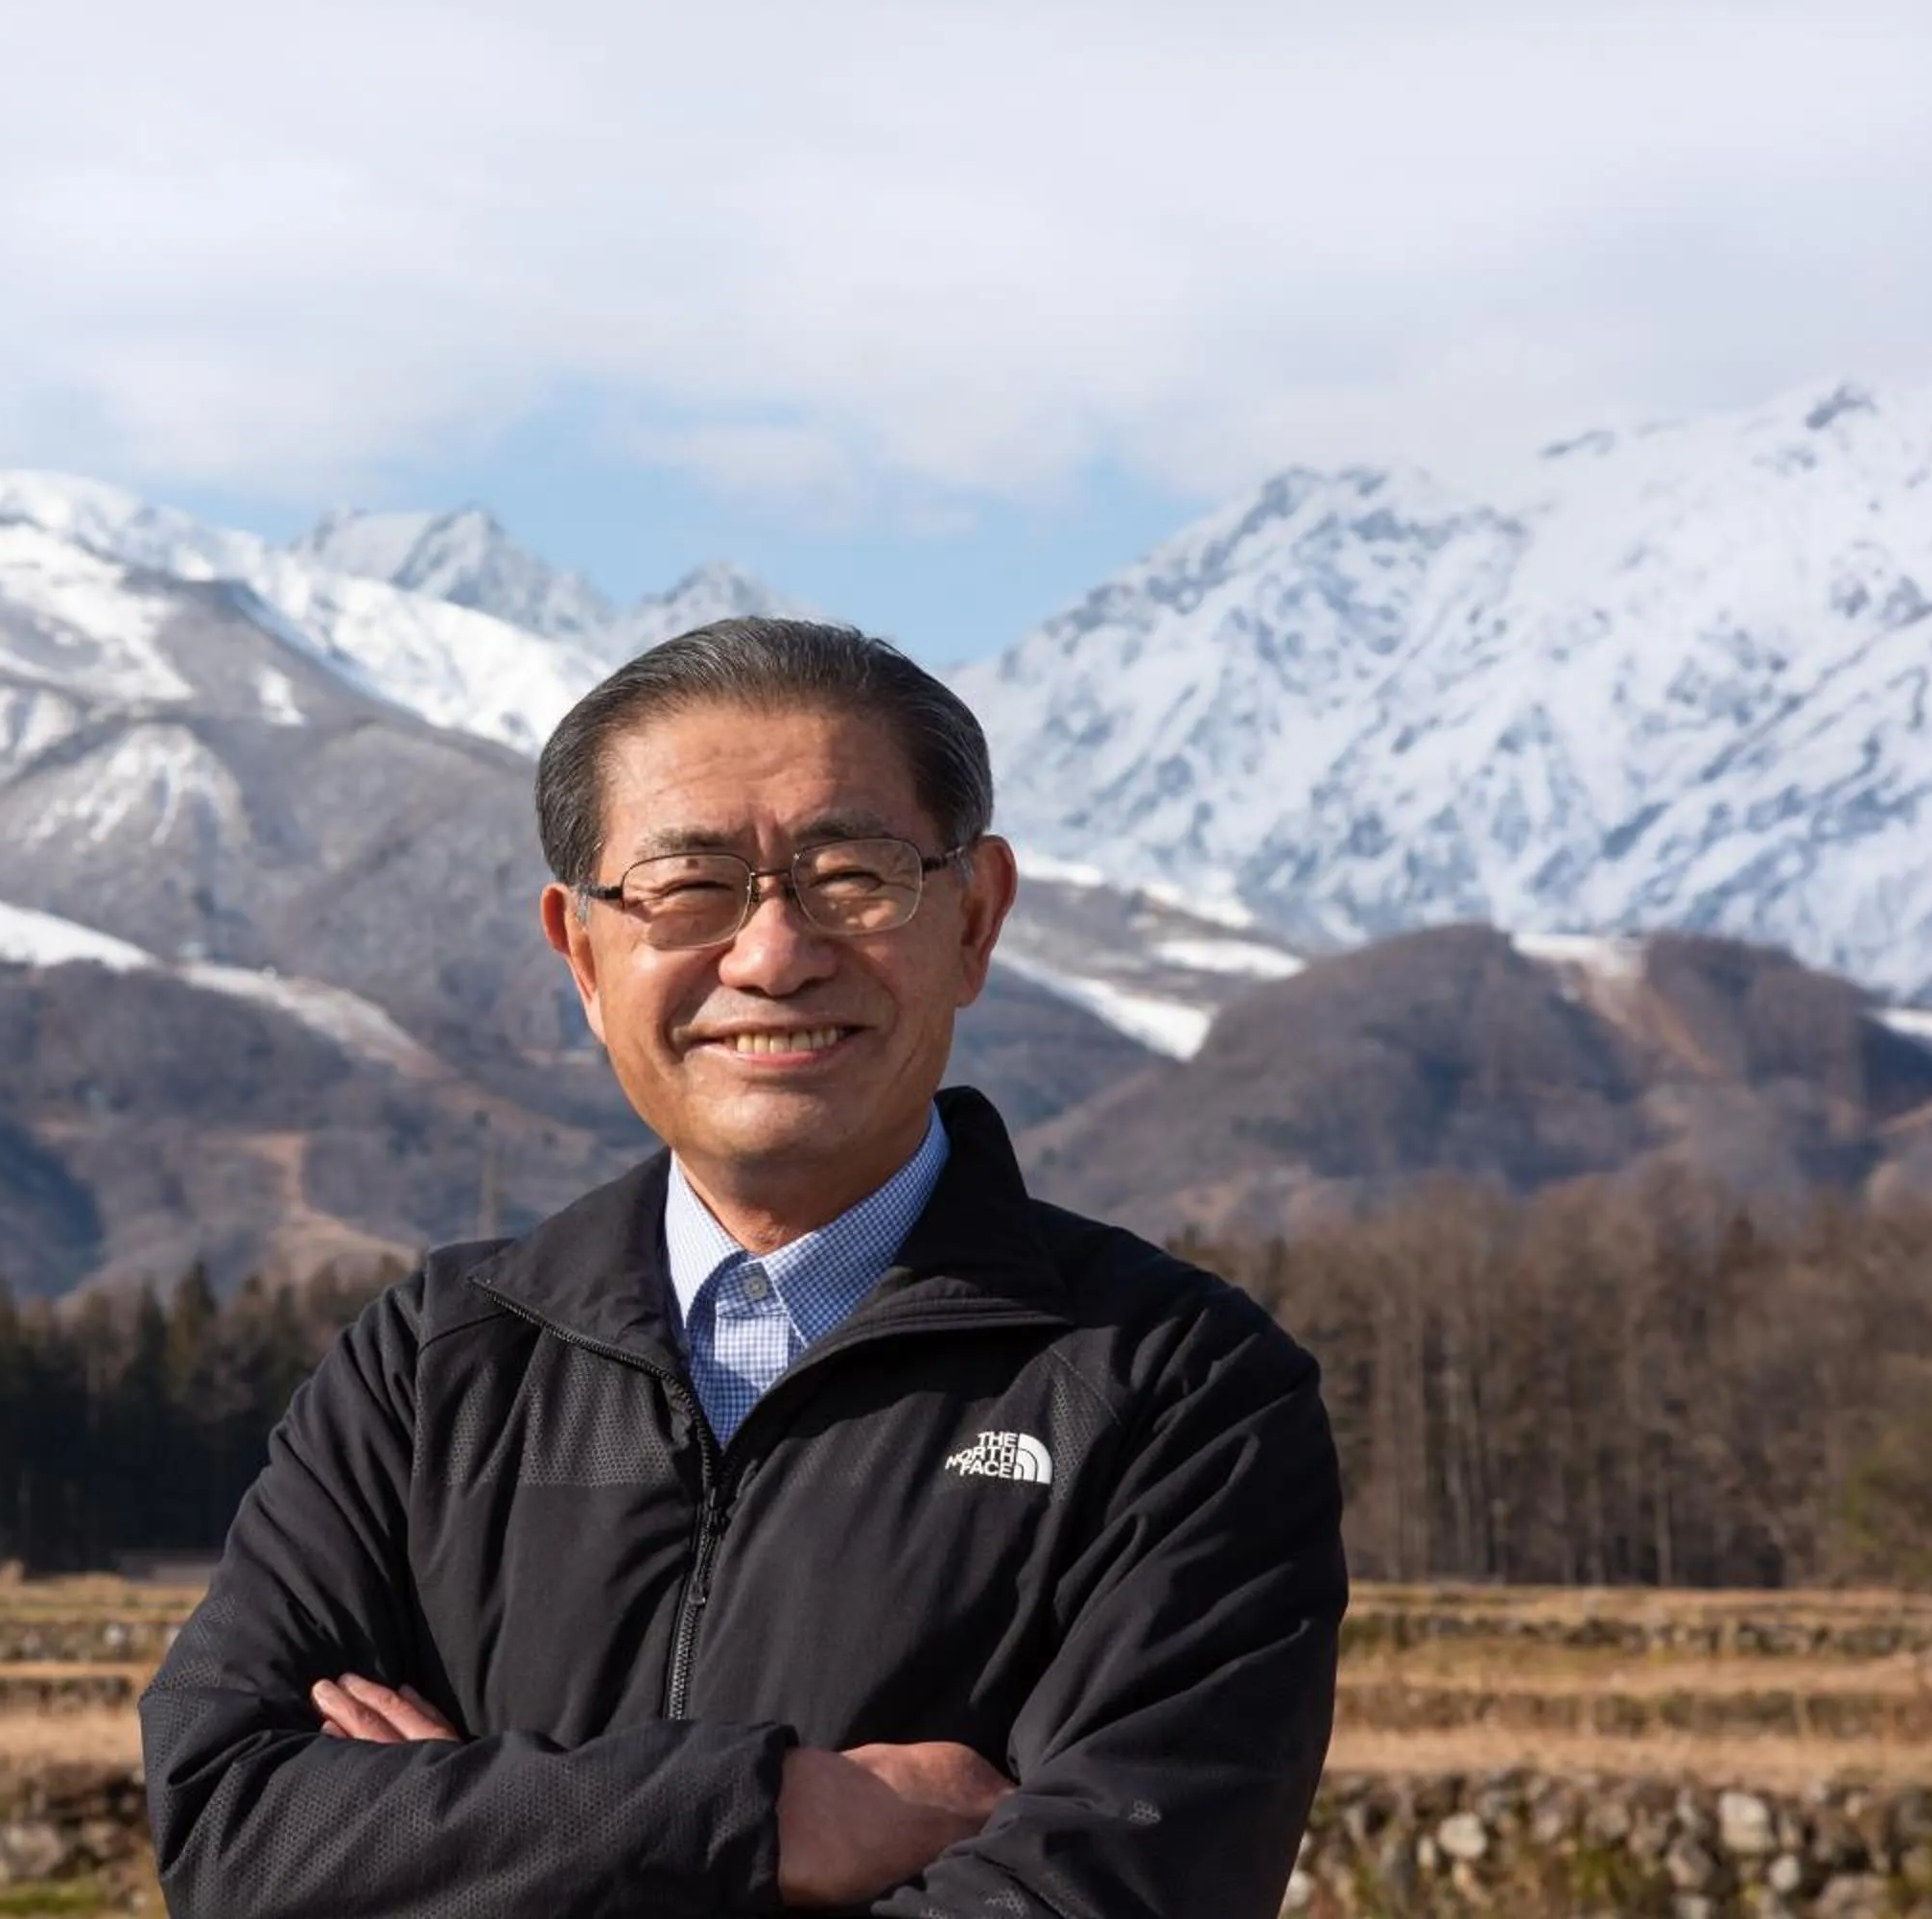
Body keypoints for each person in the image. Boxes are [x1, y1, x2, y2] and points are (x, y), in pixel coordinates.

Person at [140, 618, 1346, 1917]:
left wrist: (472, 1840)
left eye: (852, 876)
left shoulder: (1175, 1396)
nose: (773, 955)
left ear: (974, 918)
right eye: (689, 886)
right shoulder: (436, 1370)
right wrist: (765, 1815)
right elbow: (231, 1828)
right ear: (581, 952)